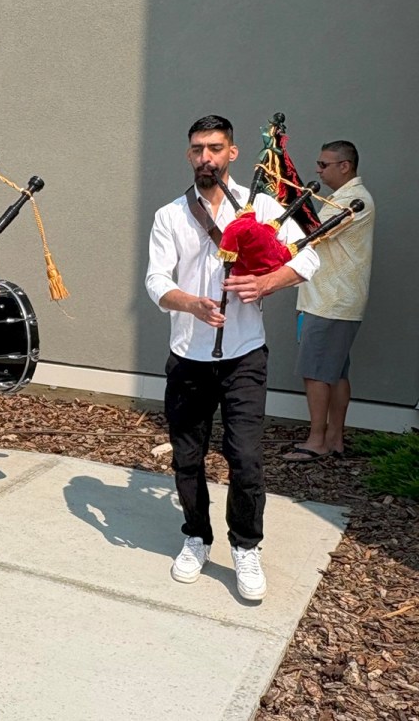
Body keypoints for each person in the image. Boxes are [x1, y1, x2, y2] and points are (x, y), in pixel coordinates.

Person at [144, 114, 320, 603]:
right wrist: (191, 304)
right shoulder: (170, 215)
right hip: (188, 357)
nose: (207, 158)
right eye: (198, 149)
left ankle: (246, 545)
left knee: (244, 459)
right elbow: (156, 281)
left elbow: (308, 258)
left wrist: (266, 282)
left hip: (244, 355)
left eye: (216, 148)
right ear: (188, 155)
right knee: (187, 458)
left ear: (233, 153)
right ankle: (196, 537)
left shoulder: (261, 205)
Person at [285, 140, 375, 462]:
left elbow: (313, 231)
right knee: (335, 373)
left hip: (330, 302)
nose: (318, 170)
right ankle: (334, 439)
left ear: (345, 166)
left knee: (317, 372)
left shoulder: (353, 200)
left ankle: (317, 441)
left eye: (324, 165)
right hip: (332, 301)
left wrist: (286, 194)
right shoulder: (343, 197)